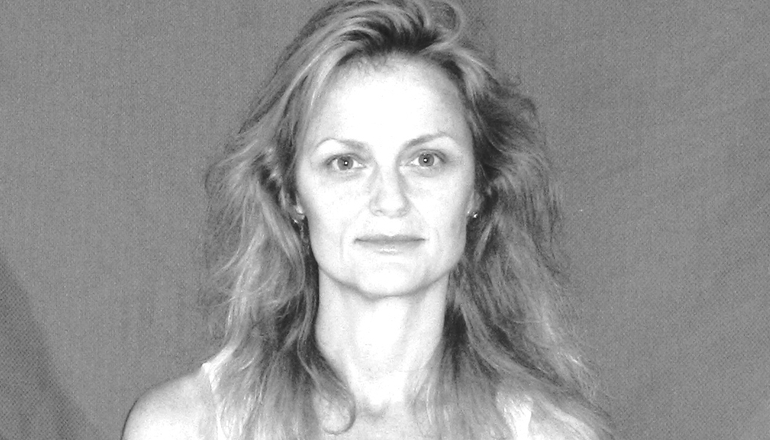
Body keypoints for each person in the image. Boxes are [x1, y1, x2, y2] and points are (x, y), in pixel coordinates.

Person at [122, 0, 613, 439]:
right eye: (346, 163)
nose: (390, 201)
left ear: (479, 188)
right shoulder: (184, 428)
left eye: (426, 160)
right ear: (290, 192)